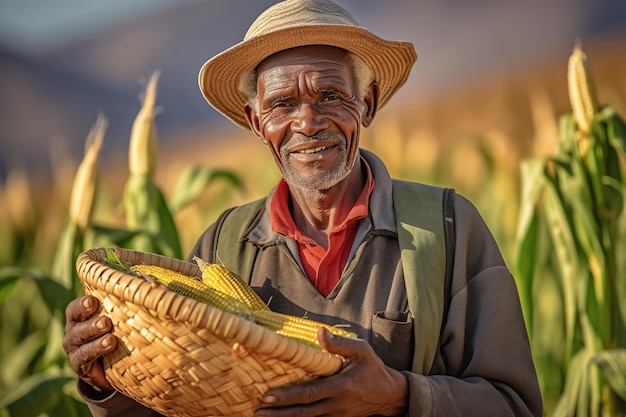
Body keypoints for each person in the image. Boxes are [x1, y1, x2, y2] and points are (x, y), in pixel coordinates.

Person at [63, 0, 543, 416]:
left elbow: (515, 405)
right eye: (282, 105)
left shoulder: (448, 229)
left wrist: (398, 396)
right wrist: (107, 379)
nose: (307, 123)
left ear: (368, 104)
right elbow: (185, 402)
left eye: (330, 96)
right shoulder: (222, 247)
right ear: (256, 121)